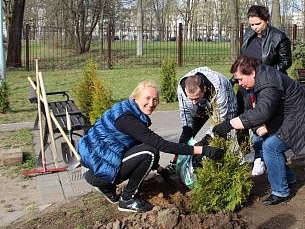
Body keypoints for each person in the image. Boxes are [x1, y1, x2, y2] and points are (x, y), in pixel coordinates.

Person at [78, 79, 224, 213]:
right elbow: (161, 144)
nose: (151, 103)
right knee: (151, 152)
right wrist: (202, 150)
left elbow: (138, 145)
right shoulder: (128, 120)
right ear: (136, 97)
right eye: (147, 98)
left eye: (155, 100)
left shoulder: (125, 109)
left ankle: (107, 188)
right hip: (96, 172)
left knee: (147, 150)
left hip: (93, 166)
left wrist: (161, 170)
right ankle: (127, 199)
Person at [213, 56, 305, 206]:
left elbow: (262, 112)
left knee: (271, 147)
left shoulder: (268, 81)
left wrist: (229, 125)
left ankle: (280, 192)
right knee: (261, 145)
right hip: (288, 115)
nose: (239, 83)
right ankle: (288, 178)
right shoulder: (254, 83)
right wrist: (258, 128)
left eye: (240, 79)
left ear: (252, 72)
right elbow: (250, 110)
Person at [235, 5, 293, 171]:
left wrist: (264, 74)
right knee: (241, 117)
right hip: (246, 83)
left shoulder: (279, 38)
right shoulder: (249, 35)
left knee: (261, 119)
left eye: (257, 24)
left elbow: (285, 63)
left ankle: (264, 157)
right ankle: (246, 153)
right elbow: (243, 58)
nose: (254, 28)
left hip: (266, 85)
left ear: (266, 21)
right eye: (251, 24)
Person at [164, 67, 238, 173]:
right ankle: (176, 163)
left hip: (224, 104)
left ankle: (220, 166)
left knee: (220, 133)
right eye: (191, 98)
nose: (194, 102)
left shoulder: (218, 87)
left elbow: (220, 120)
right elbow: (185, 113)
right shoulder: (182, 89)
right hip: (202, 107)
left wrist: (204, 141)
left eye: (196, 98)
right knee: (186, 135)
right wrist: (187, 129)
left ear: (204, 89)